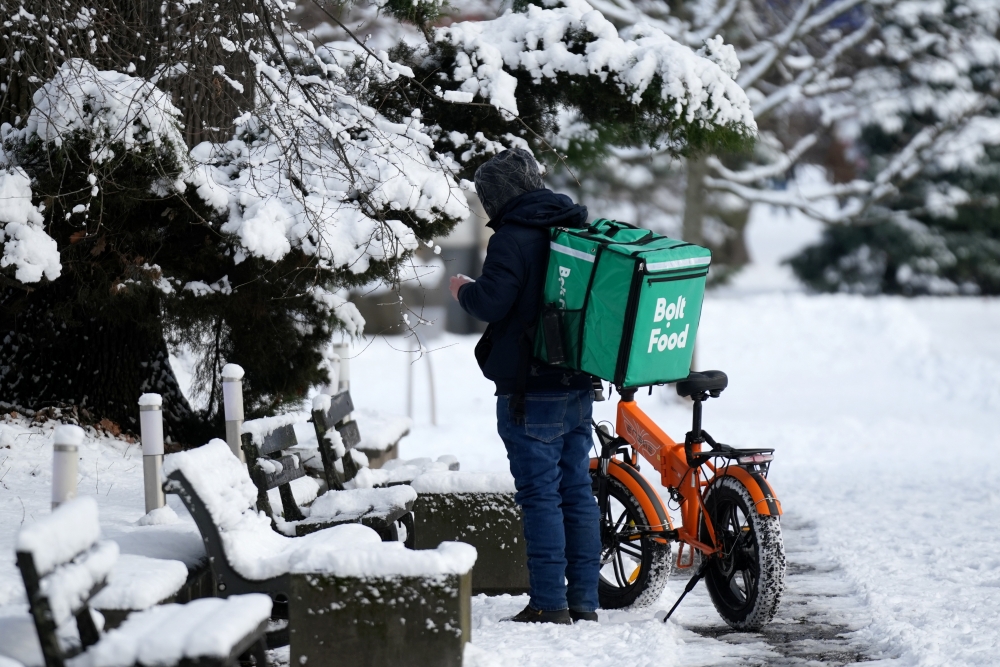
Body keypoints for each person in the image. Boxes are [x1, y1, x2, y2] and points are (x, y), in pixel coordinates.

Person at [449, 149, 600, 625]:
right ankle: (584, 602)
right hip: (577, 381)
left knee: (540, 496)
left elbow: (492, 303)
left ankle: (549, 604)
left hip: (530, 391)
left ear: (498, 197)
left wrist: (462, 289)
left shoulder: (512, 238)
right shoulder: (572, 225)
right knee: (577, 492)